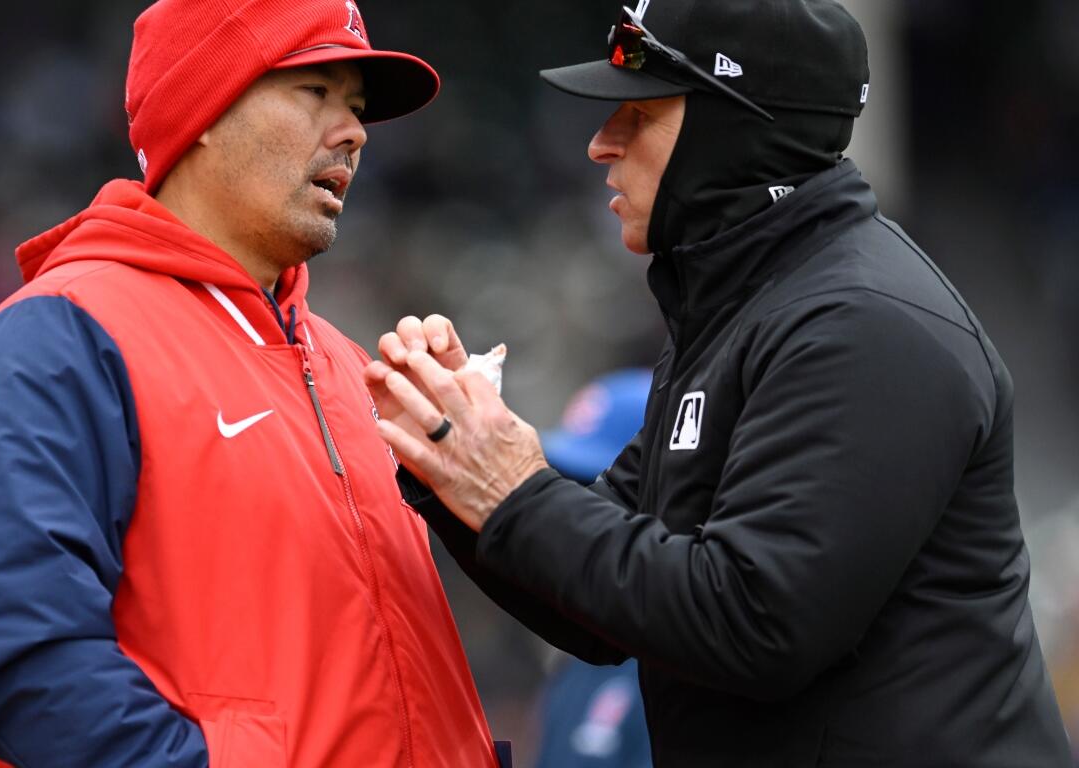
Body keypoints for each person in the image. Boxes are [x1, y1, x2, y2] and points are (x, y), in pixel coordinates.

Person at [364, 0, 1073, 765]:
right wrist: (449, 462)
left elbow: (757, 624)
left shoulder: (864, 321)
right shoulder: (744, 304)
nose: (602, 144)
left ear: (736, 134)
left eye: (638, 114)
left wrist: (511, 488)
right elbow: (602, 605)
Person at [0, 1, 503, 766]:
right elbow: (14, 651)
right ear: (202, 109)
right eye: (315, 92)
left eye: (356, 108)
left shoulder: (349, 366)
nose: (354, 132)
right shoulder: (59, 337)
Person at [534, 369, 653, 768]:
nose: (568, 515)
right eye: (561, 485)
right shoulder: (577, 655)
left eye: (593, 488)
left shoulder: (684, 666)